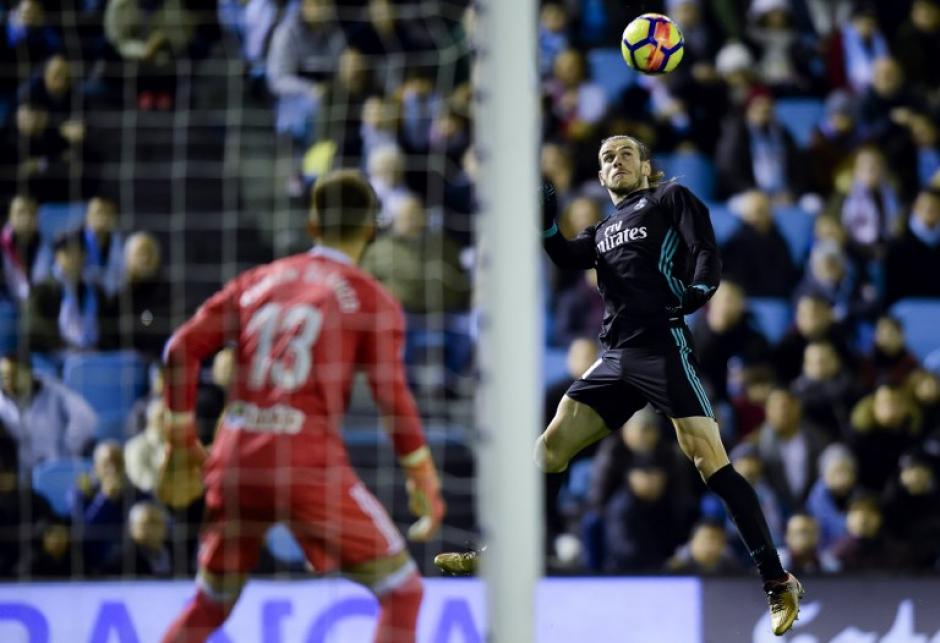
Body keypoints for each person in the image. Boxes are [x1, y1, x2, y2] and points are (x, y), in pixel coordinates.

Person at [435, 135, 803, 635]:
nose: (616, 160)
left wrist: (698, 293)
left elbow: (704, 251)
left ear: (646, 166)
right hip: (615, 357)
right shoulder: (604, 228)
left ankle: (777, 581)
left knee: (709, 461)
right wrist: (544, 222)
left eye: (626, 152)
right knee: (548, 449)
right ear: (602, 176)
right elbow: (564, 256)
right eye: (607, 156)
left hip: (663, 348)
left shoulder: (670, 197)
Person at [158, 169, 445, 643]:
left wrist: (182, 439)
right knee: (402, 591)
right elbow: (392, 399)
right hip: (304, 464)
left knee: (210, 603)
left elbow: (179, 350)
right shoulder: (373, 301)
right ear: (372, 230)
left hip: (235, 460)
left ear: (312, 225)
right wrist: (423, 476)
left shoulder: (257, 280)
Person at [0, 352, 97, 472]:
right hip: (19, 475)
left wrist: (67, 451)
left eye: (13, 375)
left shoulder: (56, 393)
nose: (8, 381)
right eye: (4, 376)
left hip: (56, 468)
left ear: (29, 372)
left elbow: (86, 419)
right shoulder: (1, 403)